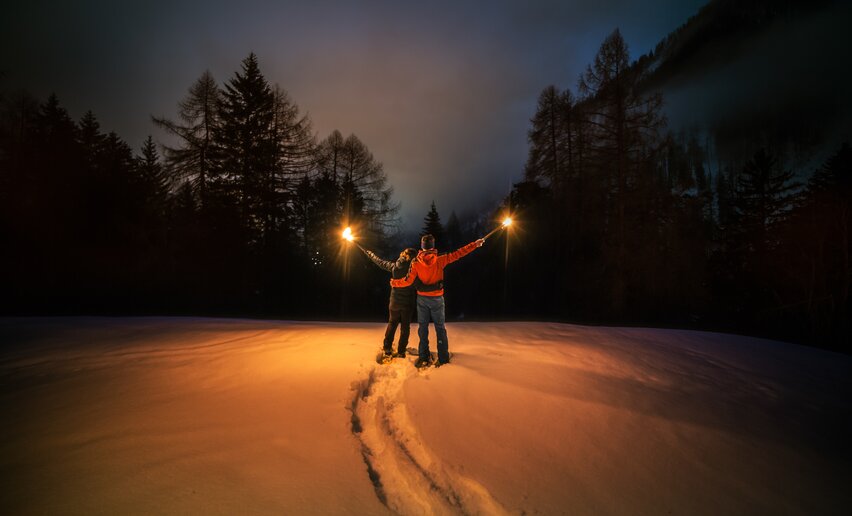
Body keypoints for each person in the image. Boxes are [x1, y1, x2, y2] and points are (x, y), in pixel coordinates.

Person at [390, 234, 484, 367]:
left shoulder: (415, 262)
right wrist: (474, 244)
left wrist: (395, 283)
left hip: (422, 299)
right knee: (440, 328)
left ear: (422, 247)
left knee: (423, 328)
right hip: (437, 299)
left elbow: (408, 281)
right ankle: (443, 357)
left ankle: (424, 357)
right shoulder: (440, 259)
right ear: (433, 246)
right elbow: (459, 253)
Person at [363, 247, 419, 359]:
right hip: (408, 303)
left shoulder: (395, 267)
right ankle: (401, 351)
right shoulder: (415, 270)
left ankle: (387, 348)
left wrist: (370, 254)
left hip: (394, 302)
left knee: (392, 323)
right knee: (405, 327)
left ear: (403, 255)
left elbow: (380, 262)